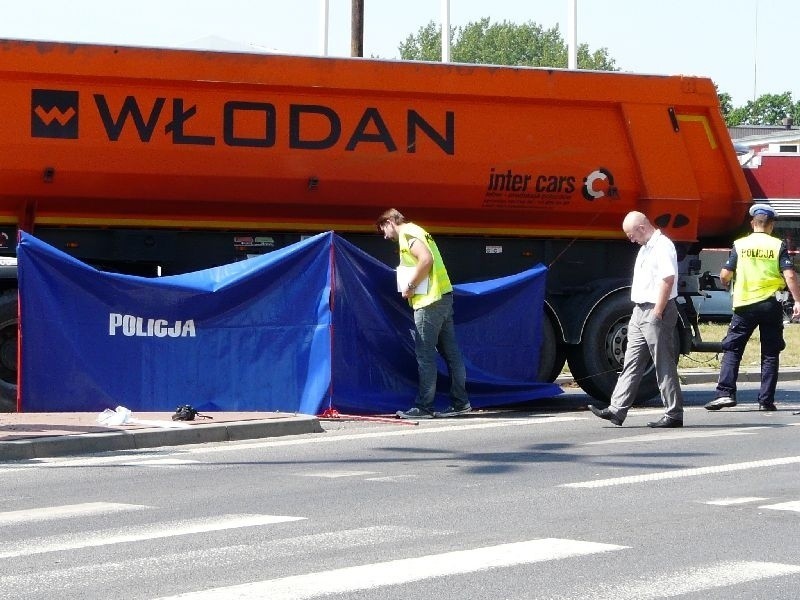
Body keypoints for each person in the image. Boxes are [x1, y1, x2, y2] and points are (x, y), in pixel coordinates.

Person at [588, 211, 685, 428]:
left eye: (631, 234)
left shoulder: (662, 246)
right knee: (631, 362)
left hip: (655, 309)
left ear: (641, 228)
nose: (630, 239)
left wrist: (658, 311)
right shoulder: (645, 248)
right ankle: (616, 410)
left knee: (663, 363)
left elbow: (667, 279)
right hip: (640, 309)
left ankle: (674, 414)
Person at [704, 203, 800, 412]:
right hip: (770, 304)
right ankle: (766, 400)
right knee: (770, 353)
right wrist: (798, 300)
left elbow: (725, 274)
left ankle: (725, 394)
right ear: (771, 225)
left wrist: (726, 282)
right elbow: (789, 274)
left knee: (733, 349)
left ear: (752, 223)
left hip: (744, 305)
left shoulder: (740, 244)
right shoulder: (778, 245)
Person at [376, 208, 470, 419]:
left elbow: (425, 260)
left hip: (429, 301)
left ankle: (424, 407)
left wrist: (410, 285)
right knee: (452, 354)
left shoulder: (408, 233)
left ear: (390, 222)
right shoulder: (419, 230)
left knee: (425, 355)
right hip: (443, 296)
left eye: (383, 228)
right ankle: (460, 403)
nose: (384, 235)